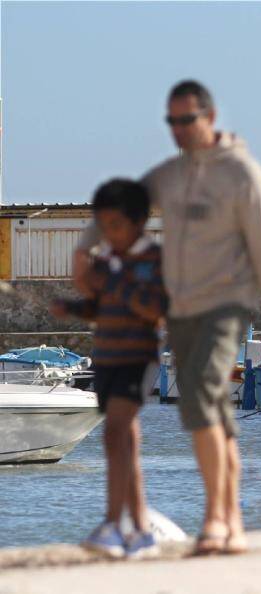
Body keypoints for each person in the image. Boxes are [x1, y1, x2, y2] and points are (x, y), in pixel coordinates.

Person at [73, 80, 261, 555]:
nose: (177, 130)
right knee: (213, 409)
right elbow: (122, 200)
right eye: (170, 122)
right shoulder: (169, 175)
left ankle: (215, 517)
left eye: (185, 120)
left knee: (195, 394)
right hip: (180, 310)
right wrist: (82, 249)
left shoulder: (242, 175)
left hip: (226, 306)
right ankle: (232, 521)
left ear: (210, 118)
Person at [54, 179, 166, 559]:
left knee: (114, 432)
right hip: (107, 357)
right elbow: (98, 306)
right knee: (124, 441)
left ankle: (112, 523)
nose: (109, 233)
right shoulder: (104, 261)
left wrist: (113, 282)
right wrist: (70, 308)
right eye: (103, 225)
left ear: (137, 222)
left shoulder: (155, 258)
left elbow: (155, 308)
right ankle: (139, 530)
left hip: (138, 358)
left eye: (116, 225)